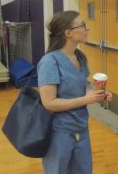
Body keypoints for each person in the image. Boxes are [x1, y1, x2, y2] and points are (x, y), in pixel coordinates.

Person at [37, 10, 112, 174]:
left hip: (81, 128)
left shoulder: (79, 56)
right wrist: (87, 99)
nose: (87, 29)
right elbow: (49, 103)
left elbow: (82, 86)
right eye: (83, 25)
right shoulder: (49, 62)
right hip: (59, 132)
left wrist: (98, 94)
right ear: (68, 33)